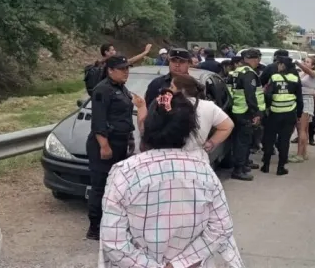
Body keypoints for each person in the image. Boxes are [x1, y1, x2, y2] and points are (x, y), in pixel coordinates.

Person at [99, 90, 244, 268]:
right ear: (190, 130)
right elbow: (222, 227)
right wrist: (179, 264)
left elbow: (113, 240)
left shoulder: (125, 172)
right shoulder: (204, 172)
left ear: (148, 126)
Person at [86, 55, 146, 241]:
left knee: (118, 187)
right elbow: (98, 121)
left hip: (121, 143)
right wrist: (104, 145)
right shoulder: (102, 90)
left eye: (127, 68)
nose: (126, 71)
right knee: (100, 186)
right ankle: (94, 227)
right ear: (110, 70)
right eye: (122, 69)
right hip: (105, 144)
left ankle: (114, 223)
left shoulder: (120, 88)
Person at [169, 74, 234, 162]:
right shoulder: (209, 106)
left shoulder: (169, 106)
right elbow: (228, 125)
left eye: (172, 87)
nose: (169, 90)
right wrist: (211, 143)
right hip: (198, 160)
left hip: (170, 158)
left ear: (182, 90)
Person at [261, 56, 303, 176]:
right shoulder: (295, 79)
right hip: (289, 115)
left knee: (269, 139)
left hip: (274, 114)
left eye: (279, 64)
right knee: (285, 141)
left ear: (282, 65)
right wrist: (298, 115)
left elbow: (267, 95)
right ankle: (280, 168)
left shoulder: (274, 78)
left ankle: (266, 165)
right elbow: (299, 99)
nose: (277, 66)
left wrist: (268, 106)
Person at [230, 48, 266, 181]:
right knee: (243, 142)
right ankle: (238, 170)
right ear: (251, 59)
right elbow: (250, 95)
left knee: (243, 140)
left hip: (237, 110)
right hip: (245, 111)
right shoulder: (249, 73)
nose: (258, 62)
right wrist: (255, 113)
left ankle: (244, 164)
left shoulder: (236, 71)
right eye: (256, 59)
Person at [84, 43, 152, 96]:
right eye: (113, 50)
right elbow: (131, 61)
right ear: (106, 52)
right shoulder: (109, 65)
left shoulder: (99, 64)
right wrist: (145, 52)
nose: (115, 52)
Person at [289, 57, 315, 163]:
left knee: (301, 129)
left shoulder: (313, 74)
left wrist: (297, 62)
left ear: (313, 65)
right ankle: (304, 152)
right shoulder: (303, 74)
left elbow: (307, 71)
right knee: (304, 129)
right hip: (302, 100)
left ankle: (299, 155)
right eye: (304, 61)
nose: (305, 63)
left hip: (306, 101)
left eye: (308, 62)